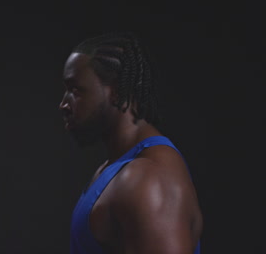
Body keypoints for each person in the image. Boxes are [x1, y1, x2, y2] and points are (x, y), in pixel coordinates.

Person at [59, 32, 202, 254]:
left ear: (115, 92)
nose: (63, 104)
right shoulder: (114, 169)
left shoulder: (149, 178)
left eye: (76, 90)